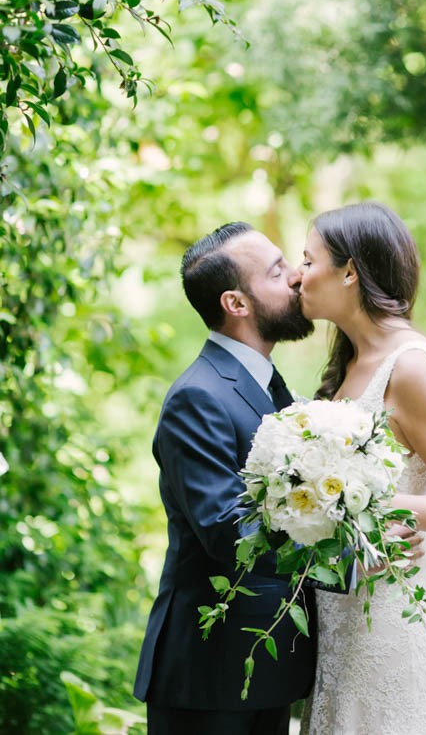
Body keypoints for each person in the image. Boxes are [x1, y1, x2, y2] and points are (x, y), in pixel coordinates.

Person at [297, 201, 426, 735]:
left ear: (350, 271)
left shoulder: (411, 368)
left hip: (392, 616)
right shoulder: (350, 363)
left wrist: (370, 506)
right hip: (343, 609)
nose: (297, 275)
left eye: (308, 260)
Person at [133, 221, 317, 735]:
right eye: (278, 271)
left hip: (265, 670)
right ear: (236, 304)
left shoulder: (274, 388)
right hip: (207, 674)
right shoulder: (198, 397)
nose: (297, 278)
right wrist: (339, 535)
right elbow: (226, 530)